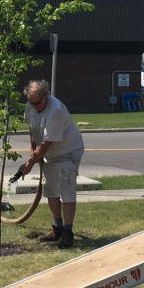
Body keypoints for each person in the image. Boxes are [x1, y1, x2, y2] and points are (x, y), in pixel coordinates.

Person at [18, 79, 85, 249]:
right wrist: (33, 150)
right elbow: (32, 129)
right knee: (51, 190)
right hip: (50, 153)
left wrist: (30, 163)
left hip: (68, 151)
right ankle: (57, 228)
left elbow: (47, 142)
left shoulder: (55, 111)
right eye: (31, 102)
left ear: (46, 95)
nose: (34, 106)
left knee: (66, 190)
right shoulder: (31, 105)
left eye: (37, 102)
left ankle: (68, 233)